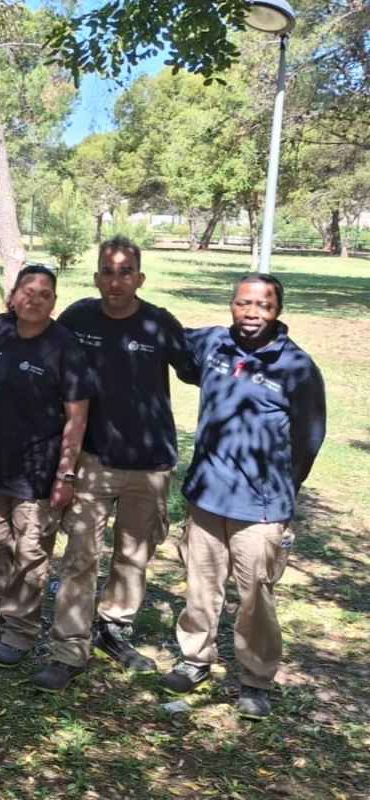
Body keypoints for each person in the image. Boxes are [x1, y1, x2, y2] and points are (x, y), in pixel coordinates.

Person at [30, 236, 198, 692]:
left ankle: (113, 628)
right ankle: (68, 649)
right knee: (80, 556)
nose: (115, 280)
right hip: (93, 459)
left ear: (139, 278)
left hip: (150, 463)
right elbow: (43, 354)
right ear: (96, 276)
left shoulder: (160, 324)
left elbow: (199, 368)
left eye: (125, 272)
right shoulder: (78, 317)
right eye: (107, 271)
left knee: (133, 556)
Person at [160, 274, 325, 720]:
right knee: (201, 587)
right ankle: (195, 659)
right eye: (243, 304)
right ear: (231, 305)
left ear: (278, 310)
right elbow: (168, 339)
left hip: (262, 507)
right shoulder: (212, 344)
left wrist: (282, 490)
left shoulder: (297, 367)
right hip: (207, 497)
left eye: (264, 306)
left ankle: (255, 679)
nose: (252, 313)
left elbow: (308, 438)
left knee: (256, 597)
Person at [0, 263, 92, 669]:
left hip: (38, 474)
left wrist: (66, 473)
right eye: (27, 290)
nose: (34, 298)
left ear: (54, 302)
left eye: (44, 293)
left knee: (30, 557)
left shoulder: (64, 346)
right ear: (13, 295)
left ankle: (19, 633)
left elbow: (77, 416)